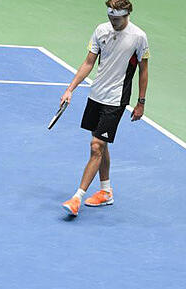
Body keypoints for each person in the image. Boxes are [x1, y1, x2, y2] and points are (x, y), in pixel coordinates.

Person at [60, 0, 149, 216]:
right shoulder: (101, 30)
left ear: (127, 14)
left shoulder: (139, 37)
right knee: (102, 144)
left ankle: (76, 198)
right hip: (96, 95)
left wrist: (141, 102)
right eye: (111, 17)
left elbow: (144, 71)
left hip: (116, 99)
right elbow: (89, 62)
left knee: (96, 146)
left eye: (117, 19)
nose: (113, 22)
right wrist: (70, 88)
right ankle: (106, 191)